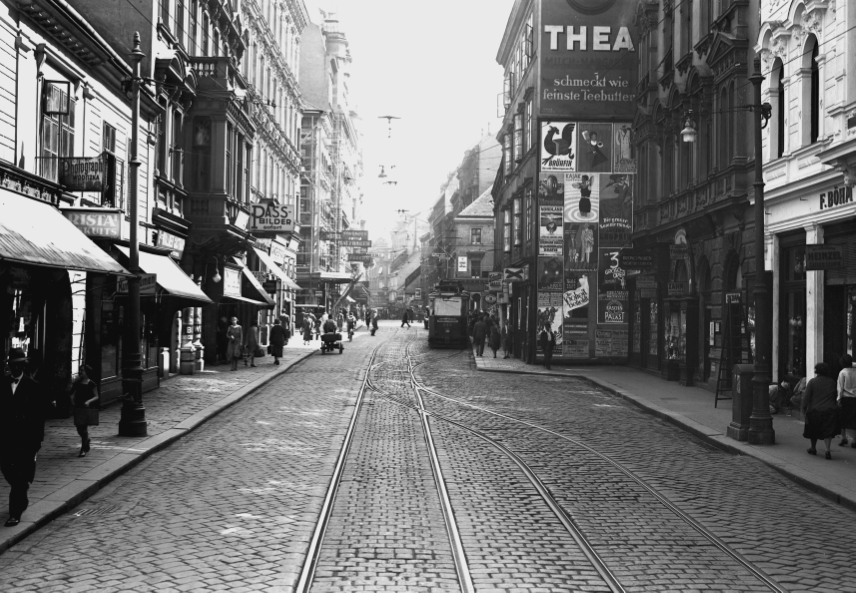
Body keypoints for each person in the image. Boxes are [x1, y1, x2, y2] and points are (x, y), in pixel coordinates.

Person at [1, 348, 54, 526]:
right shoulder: (2, 384)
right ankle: (22, 492)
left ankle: (15, 512)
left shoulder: (33, 386)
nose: (16, 368)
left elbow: (39, 417)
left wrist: (36, 442)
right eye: (13, 365)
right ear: (9, 366)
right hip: (5, 440)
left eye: (19, 365)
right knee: (9, 472)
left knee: (19, 477)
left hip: (25, 440)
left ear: (24, 365)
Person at [802, 362, 840, 460]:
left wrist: (803, 409)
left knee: (813, 430)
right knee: (828, 431)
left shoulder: (812, 382)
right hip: (829, 410)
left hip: (815, 410)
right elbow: (835, 396)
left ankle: (813, 447)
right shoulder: (832, 382)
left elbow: (806, 398)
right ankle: (827, 450)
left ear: (816, 371)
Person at [69, 365, 99, 458]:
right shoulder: (77, 383)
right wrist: (72, 402)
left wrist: (88, 401)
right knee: (79, 428)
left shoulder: (92, 384)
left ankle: (83, 448)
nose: (80, 372)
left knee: (84, 429)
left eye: (82, 370)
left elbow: (96, 396)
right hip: (78, 407)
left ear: (87, 372)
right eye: (80, 370)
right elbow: (71, 394)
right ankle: (87, 440)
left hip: (86, 408)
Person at [837, 353, 856, 448]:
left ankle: (843, 437)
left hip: (845, 398)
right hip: (855, 398)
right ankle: (854, 440)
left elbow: (840, 388)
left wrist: (838, 399)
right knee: (854, 418)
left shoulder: (842, 372)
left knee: (843, 419)